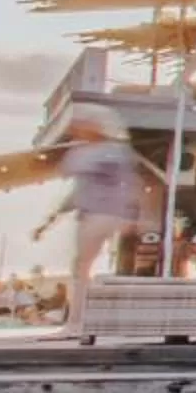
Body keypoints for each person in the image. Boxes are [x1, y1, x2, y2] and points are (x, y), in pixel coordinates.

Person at [31, 104, 146, 334]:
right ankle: (78, 319)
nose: (77, 128)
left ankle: (79, 321)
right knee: (82, 265)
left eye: (82, 123)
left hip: (105, 213)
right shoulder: (85, 152)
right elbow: (78, 191)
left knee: (82, 264)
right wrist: (50, 220)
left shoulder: (112, 151)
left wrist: (130, 214)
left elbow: (129, 184)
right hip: (93, 213)